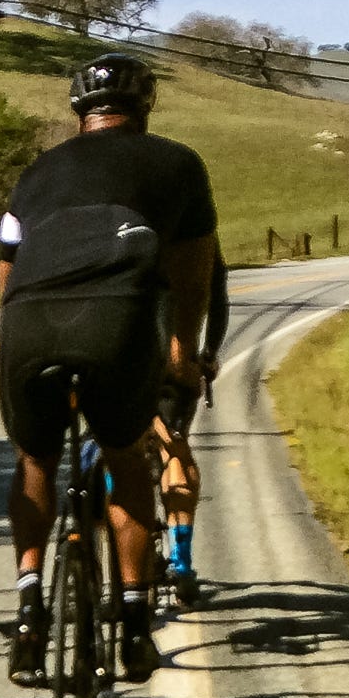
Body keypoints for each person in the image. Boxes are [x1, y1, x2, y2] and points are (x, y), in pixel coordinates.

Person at [0, 53, 220, 684]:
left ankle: (29, 605)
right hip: (117, 323)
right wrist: (182, 352)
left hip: (27, 324)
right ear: (145, 107)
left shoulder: (36, 171)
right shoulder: (177, 163)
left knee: (35, 461)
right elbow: (193, 272)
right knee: (125, 457)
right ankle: (130, 622)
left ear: (79, 112)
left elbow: (8, 267)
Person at [149, 245, 228, 608]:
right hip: (176, 360)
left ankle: (119, 556)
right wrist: (208, 354)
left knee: (116, 447)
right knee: (175, 451)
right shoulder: (191, 223)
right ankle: (182, 566)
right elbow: (217, 292)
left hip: (116, 353)